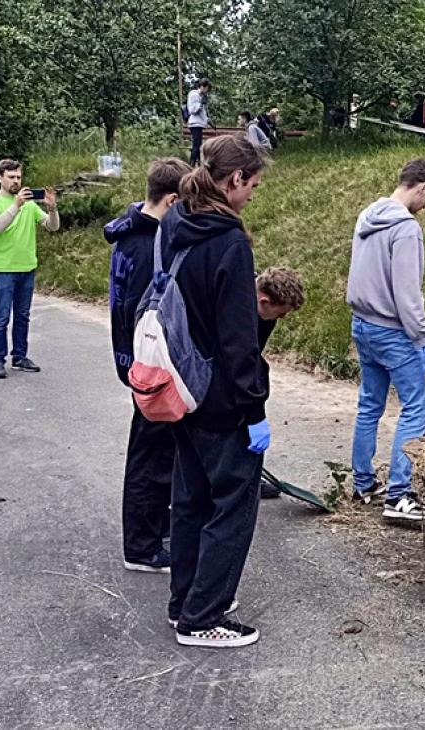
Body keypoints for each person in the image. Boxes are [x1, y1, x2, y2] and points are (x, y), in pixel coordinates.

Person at [163, 134, 271, 648]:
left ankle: (184, 600)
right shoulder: (228, 241)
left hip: (181, 387)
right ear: (232, 181)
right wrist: (254, 409)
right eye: (251, 184)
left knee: (190, 499)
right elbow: (239, 338)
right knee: (233, 504)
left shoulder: (175, 223)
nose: (252, 194)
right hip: (223, 399)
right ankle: (203, 617)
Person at [104, 158, 193, 574]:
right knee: (149, 456)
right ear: (172, 199)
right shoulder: (149, 245)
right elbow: (150, 314)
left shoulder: (133, 233)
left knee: (157, 450)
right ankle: (141, 546)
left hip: (134, 361)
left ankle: (155, 527)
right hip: (149, 366)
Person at [345, 159, 425, 521]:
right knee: (417, 406)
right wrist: (424, 338)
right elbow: (407, 294)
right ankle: (399, 496)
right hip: (391, 330)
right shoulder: (405, 229)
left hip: (362, 323)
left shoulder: (366, 215)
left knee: (370, 403)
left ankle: (363, 482)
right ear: (421, 187)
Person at [0, 159, 59, 380]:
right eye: (11, 177)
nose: (16, 181)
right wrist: (16, 205)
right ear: (0, 177)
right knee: (2, 316)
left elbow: (52, 226)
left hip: (27, 266)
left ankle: (20, 356)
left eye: (18, 177)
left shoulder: (30, 205)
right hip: (3, 267)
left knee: (23, 315)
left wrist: (52, 208)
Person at [254, 266, 306, 499]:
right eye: (281, 312)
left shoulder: (265, 317)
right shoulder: (237, 308)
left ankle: (251, 478)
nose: (282, 318)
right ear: (264, 301)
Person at [186, 78, 211, 165]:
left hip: (199, 124)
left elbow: (202, 114)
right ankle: (191, 164)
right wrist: (201, 104)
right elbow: (192, 110)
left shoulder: (201, 96)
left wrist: (208, 122)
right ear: (202, 87)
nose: (207, 91)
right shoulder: (194, 95)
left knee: (198, 145)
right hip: (194, 124)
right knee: (196, 146)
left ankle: (198, 163)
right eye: (207, 88)